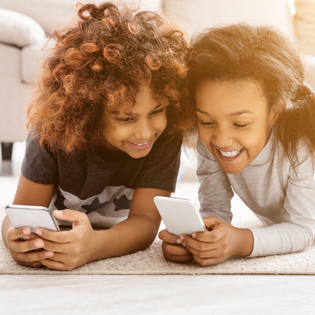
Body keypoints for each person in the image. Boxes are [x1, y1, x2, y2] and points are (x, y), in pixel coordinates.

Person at [1, 1, 192, 270]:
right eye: (126, 118)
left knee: (167, 169)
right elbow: (20, 213)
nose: (146, 130)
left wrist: (94, 247)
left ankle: (176, 170)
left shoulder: (165, 132)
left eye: (156, 111)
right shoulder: (53, 130)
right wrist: (14, 240)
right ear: (87, 113)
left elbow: (145, 222)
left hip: (146, 178)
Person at [159, 23, 315, 266]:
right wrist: (196, 240)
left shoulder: (300, 148)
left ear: (275, 112)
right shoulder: (211, 141)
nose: (221, 139)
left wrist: (240, 241)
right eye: (206, 121)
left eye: (241, 124)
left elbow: (304, 230)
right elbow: (214, 211)